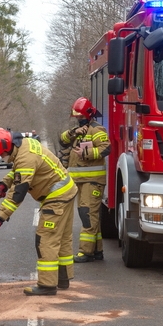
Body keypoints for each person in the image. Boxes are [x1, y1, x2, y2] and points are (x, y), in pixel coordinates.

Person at [0, 127, 78, 295]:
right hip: (67, 190)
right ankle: (62, 279)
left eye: (0, 155)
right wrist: (5, 183)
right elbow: (18, 171)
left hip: (56, 196)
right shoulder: (25, 146)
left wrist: (0, 218)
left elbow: (19, 192)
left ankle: (47, 285)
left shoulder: (25, 158)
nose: (1, 158)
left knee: (46, 239)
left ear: (7, 147)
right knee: (62, 238)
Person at [59, 97, 110, 263]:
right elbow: (62, 141)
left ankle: (86, 252)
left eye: (81, 117)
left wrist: (87, 154)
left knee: (87, 214)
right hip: (80, 181)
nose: (79, 120)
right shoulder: (79, 131)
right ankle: (97, 250)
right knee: (90, 215)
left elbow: (106, 148)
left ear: (88, 115)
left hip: (92, 181)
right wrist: (74, 132)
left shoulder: (97, 130)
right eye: (77, 118)